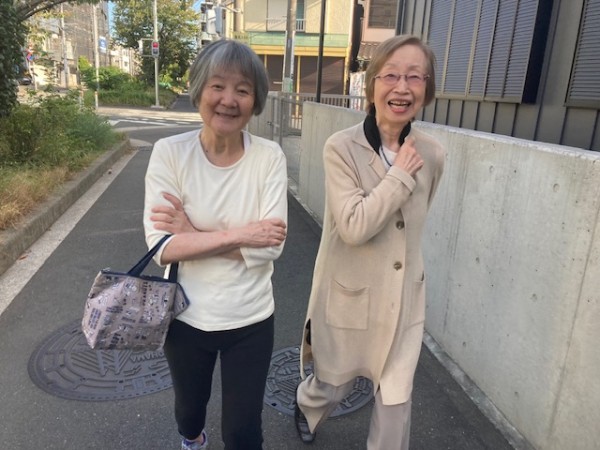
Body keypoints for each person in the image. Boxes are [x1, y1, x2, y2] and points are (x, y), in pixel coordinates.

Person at [294, 35, 445, 449]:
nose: (402, 88)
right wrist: (400, 176)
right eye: (391, 75)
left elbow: (412, 224)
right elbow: (354, 226)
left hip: (403, 299)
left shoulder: (432, 153)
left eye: (415, 77)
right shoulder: (341, 148)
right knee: (332, 384)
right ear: (372, 83)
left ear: (427, 88)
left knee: (396, 401)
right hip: (350, 291)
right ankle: (306, 405)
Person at [143, 39, 288, 450]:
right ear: (199, 90)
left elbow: (271, 248)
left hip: (251, 317)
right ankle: (193, 439)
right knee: (189, 413)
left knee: (243, 432)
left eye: (242, 89)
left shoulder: (269, 157)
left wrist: (191, 232)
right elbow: (162, 248)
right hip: (186, 315)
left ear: (255, 100)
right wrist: (242, 235)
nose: (229, 100)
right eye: (218, 86)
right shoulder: (170, 153)